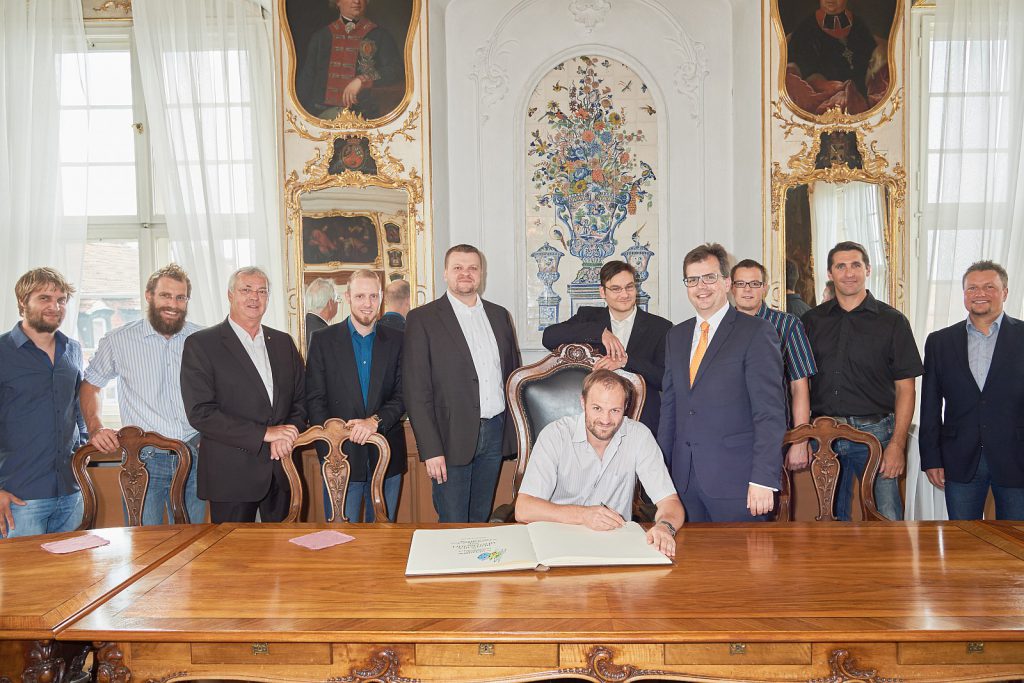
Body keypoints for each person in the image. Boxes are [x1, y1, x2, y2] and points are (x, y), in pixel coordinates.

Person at [657, 243, 787, 522]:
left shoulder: (756, 332)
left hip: (738, 483)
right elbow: (670, 409)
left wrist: (764, 479)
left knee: (741, 564)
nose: (701, 286)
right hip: (683, 482)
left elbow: (770, 413)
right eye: (692, 280)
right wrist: (661, 474)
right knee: (689, 565)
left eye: (709, 277)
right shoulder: (675, 337)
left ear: (726, 282)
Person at [803, 241, 922, 521]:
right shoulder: (811, 321)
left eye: (856, 265)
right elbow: (800, 383)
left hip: (876, 435)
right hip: (824, 436)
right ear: (830, 273)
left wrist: (897, 445)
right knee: (831, 517)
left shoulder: (893, 321)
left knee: (887, 515)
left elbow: (906, 388)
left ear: (868, 269)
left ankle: (892, 567)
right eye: (840, 266)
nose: (849, 273)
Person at [403, 244, 521, 523]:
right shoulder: (423, 319)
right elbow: (415, 389)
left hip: (493, 431)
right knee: (453, 521)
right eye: (458, 268)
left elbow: (512, 374)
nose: (465, 274)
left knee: (480, 518)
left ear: (482, 274)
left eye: (472, 268)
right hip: (449, 437)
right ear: (445, 273)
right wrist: (431, 450)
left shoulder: (499, 315)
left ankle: (476, 568)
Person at [80, 264, 206, 526]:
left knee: (192, 545)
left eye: (180, 297)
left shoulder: (203, 339)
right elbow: (91, 385)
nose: (173, 304)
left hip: (195, 455)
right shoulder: (118, 340)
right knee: (142, 545)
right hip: (143, 460)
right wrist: (96, 427)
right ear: (149, 296)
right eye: (165, 296)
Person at [180, 267, 306, 523]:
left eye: (262, 291)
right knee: (232, 559)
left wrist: (288, 431)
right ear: (230, 295)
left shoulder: (283, 343)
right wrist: (265, 434)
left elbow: (302, 400)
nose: (254, 297)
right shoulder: (202, 344)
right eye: (246, 290)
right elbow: (201, 413)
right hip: (231, 475)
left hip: (283, 468)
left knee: (285, 557)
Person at [515, 370, 684, 557]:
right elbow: (524, 509)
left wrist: (664, 527)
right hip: (559, 542)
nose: (605, 420)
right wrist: (583, 515)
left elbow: (670, 502)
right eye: (597, 408)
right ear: (582, 402)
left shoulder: (640, 436)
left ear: (625, 407)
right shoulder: (555, 435)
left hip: (616, 546)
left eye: (615, 410)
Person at [920, 260, 1024, 520]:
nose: (980, 294)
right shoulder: (939, 342)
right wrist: (931, 458)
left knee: (1015, 545)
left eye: (989, 287)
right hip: (959, 458)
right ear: (964, 295)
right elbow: (930, 406)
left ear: (1005, 292)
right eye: (972, 288)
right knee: (962, 544)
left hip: (1017, 458)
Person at [306, 270, 406, 522]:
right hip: (339, 459)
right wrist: (331, 448)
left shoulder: (399, 340)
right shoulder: (322, 340)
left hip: (386, 457)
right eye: (360, 296)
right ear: (348, 297)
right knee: (340, 543)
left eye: (373, 296)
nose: (367, 303)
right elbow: (314, 400)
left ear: (381, 297)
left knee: (383, 543)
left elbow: (404, 394)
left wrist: (375, 421)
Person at [0, 268, 86, 537]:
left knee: (70, 577)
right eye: (44, 298)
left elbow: (77, 405)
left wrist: (82, 443)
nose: (55, 307)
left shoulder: (72, 349)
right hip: (18, 497)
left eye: (61, 300)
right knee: (20, 579)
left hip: (71, 493)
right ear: (23, 302)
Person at [541, 261, 672, 435]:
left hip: (643, 421)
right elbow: (549, 337)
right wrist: (599, 333)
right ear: (603, 292)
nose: (624, 294)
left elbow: (665, 380)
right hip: (595, 422)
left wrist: (627, 361)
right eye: (616, 289)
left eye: (629, 287)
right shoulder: (588, 317)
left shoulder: (661, 327)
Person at [731, 259, 817, 470]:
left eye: (754, 284)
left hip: (773, 434)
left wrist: (800, 440)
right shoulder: (719, 327)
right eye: (741, 284)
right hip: (728, 434)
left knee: (770, 500)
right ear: (731, 287)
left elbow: (799, 386)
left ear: (765, 288)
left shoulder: (788, 325)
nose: (747, 290)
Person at [295, 0, 403, 120]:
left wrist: (363, 80)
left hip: (364, 114)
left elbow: (396, 71)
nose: (356, 1)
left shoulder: (380, 35)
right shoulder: (321, 37)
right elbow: (306, 80)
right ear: (337, 2)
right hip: (321, 114)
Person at [785, 0, 890, 116]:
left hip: (862, 100)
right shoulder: (806, 29)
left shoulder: (859, 24)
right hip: (827, 103)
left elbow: (873, 62)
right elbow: (800, 73)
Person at [304, 277, 338, 352]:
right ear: (330, 304)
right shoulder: (329, 335)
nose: (337, 303)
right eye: (337, 299)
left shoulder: (300, 326)